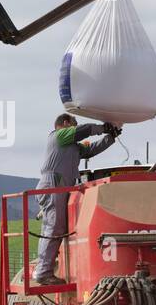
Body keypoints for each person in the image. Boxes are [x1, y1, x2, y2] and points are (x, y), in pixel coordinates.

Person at [33, 113, 121, 285]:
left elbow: (90, 150)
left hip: (60, 185)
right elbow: (85, 130)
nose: (75, 126)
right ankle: (43, 272)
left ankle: (44, 269)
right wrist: (103, 128)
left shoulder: (70, 146)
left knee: (56, 228)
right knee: (53, 228)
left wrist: (110, 137)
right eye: (74, 124)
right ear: (65, 123)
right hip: (54, 184)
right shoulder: (58, 136)